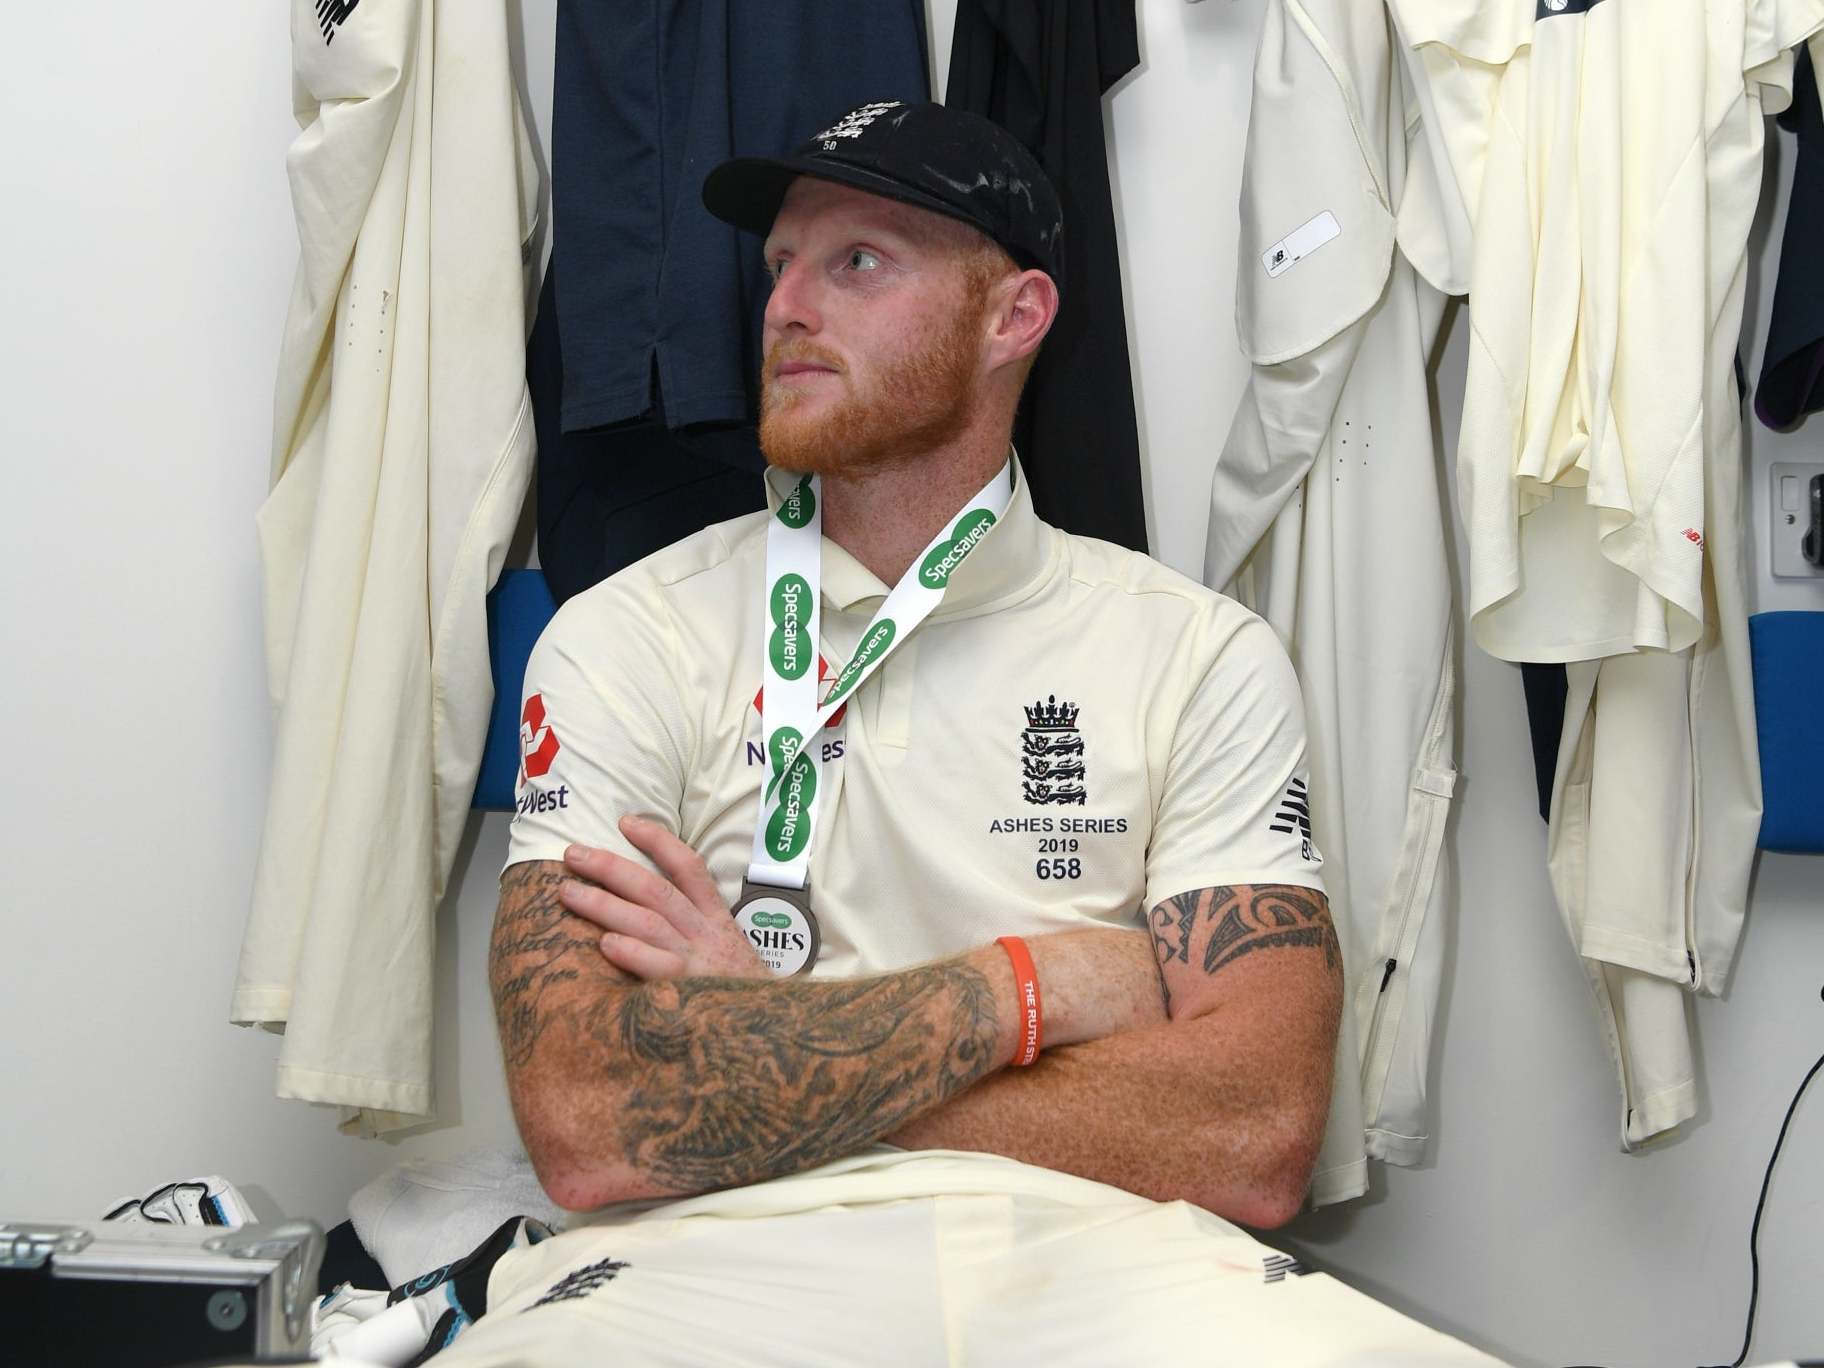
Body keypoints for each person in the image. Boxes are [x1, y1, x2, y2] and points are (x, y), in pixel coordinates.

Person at [457, 102, 1491, 1366]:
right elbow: (589, 1113)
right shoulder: (625, 639)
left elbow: (1255, 1131)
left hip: (1103, 1252)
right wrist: (1036, 987)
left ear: (1016, 318)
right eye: (783, 264)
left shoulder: (1195, 653)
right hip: (714, 1248)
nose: (785, 306)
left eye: (859, 263)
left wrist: (761, 1038)